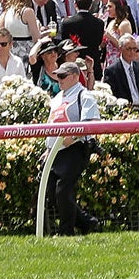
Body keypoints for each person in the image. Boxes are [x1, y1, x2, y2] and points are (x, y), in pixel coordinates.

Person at [45, 59, 100, 234]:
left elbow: (91, 123)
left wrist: (74, 136)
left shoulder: (84, 96)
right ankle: (87, 223)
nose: (59, 79)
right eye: (57, 76)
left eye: (63, 76)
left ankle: (66, 231)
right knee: (52, 193)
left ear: (75, 77)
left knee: (63, 192)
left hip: (75, 150)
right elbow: (50, 125)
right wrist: (47, 149)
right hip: (55, 151)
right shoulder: (56, 98)